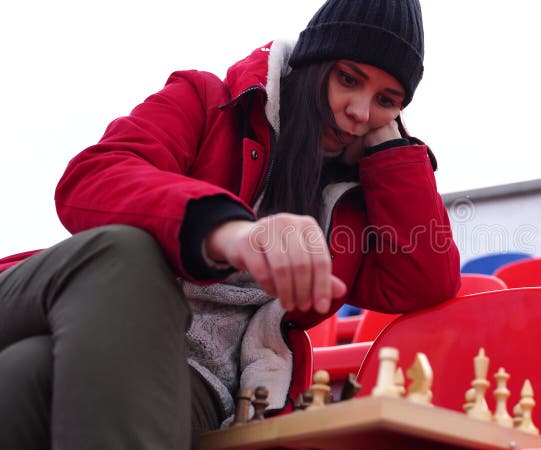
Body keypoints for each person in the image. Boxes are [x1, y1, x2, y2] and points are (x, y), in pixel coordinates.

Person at [0, 0, 461, 448]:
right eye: (348, 79)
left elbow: (426, 281)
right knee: (127, 255)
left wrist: (392, 149)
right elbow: (91, 180)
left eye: (386, 99)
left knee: (27, 375)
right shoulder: (206, 101)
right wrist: (228, 231)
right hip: (62, 301)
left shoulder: (355, 203)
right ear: (312, 63)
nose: (360, 112)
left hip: (191, 378)